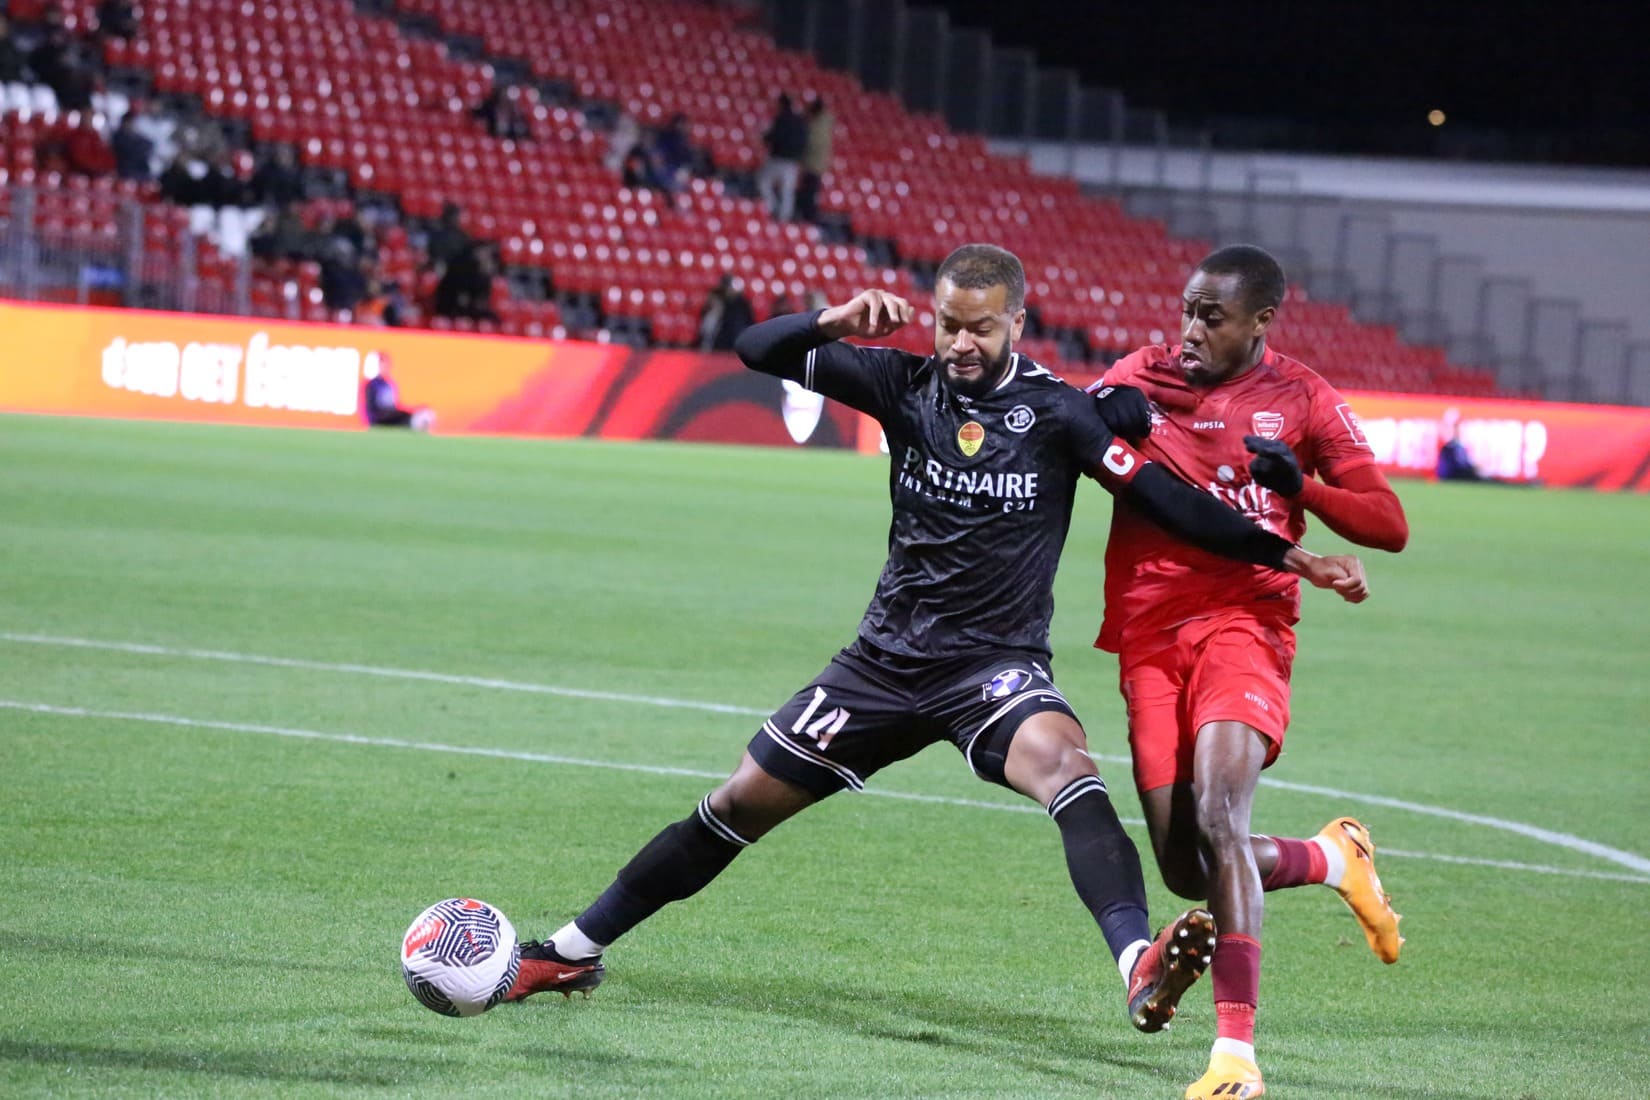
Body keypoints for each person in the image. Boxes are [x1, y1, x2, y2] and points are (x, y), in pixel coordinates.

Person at [503, 245, 1370, 1055]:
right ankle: (572, 949)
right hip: (881, 663)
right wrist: (835, 321)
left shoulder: (1059, 414)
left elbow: (1171, 500)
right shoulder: (900, 382)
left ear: (1016, 324)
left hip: (993, 668)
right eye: (948, 323)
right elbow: (754, 348)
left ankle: (1139, 963)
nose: (960, 342)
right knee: (734, 806)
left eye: (980, 327)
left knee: (1069, 771)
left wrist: (1287, 554)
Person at [1086, 244, 1409, 1100]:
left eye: (1212, 316)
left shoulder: (1304, 398)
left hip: (1247, 622)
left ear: (1261, 321)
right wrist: (1101, 416)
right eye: (1187, 309)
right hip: (1148, 634)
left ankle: (1236, 1056)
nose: (1190, 330)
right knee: (1186, 867)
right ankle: (1332, 859)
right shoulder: (1142, 373)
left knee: (1222, 816)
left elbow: (1388, 523)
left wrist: (1304, 484)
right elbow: (1073, 428)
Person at [757, 93, 807, 222]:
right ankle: (784, 217)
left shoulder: (781, 118)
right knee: (787, 190)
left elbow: (773, 137)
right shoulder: (800, 121)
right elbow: (804, 142)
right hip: (792, 162)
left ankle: (772, 207)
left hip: (778, 159)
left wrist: (764, 137)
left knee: (763, 182)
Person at [361, 351, 433, 430]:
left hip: (391, 416)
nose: (385, 367)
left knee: (420, 415)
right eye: (382, 364)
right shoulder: (372, 384)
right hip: (379, 419)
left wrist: (411, 410)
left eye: (386, 364)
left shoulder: (389, 384)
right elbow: (372, 409)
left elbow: (395, 406)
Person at [797, 95, 833, 223]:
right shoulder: (824, 123)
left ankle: (808, 220)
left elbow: (811, 145)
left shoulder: (817, 127)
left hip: (813, 165)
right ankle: (806, 218)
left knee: (809, 195)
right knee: (809, 193)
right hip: (816, 165)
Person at [696, 273, 755, 350]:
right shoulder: (718, 299)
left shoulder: (741, 303)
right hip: (721, 340)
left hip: (735, 336)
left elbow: (749, 320)